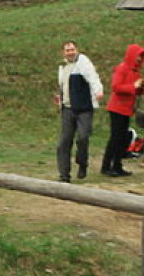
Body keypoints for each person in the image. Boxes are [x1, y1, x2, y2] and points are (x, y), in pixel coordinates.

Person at [55, 40, 104, 183]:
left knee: (83, 137)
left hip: (83, 109)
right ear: (63, 53)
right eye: (67, 50)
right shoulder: (63, 67)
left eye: (72, 49)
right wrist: (60, 97)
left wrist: (98, 91)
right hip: (67, 109)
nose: (70, 52)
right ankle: (64, 175)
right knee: (64, 142)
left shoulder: (83, 63)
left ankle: (82, 163)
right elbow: (64, 86)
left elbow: (93, 78)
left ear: (76, 50)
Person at [101, 44, 144, 177]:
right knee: (116, 138)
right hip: (117, 108)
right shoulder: (122, 69)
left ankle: (116, 165)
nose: (139, 59)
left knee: (121, 138)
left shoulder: (136, 71)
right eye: (138, 56)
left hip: (126, 109)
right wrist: (133, 86)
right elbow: (116, 87)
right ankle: (108, 166)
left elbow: (134, 91)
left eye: (141, 56)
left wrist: (140, 88)